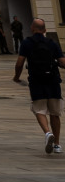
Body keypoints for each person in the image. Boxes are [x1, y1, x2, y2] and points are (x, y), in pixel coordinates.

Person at [14, 18, 65, 155]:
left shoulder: (27, 43)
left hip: (36, 81)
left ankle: (47, 133)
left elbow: (19, 63)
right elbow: (62, 62)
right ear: (45, 30)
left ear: (32, 29)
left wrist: (17, 77)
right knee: (55, 113)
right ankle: (57, 144)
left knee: (39, 109)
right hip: (53, 80)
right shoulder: (52, 43)